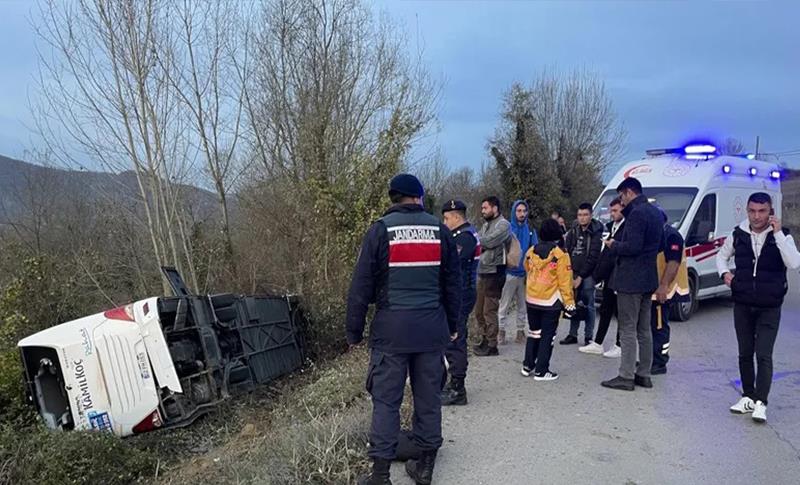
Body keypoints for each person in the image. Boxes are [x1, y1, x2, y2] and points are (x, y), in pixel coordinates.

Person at [346, 174, 461, 485]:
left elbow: (361, 286)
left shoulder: (380, 230)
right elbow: (453, 283)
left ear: (393, 198)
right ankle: (424, 470)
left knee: (386, 402)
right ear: (419, 198)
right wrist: (454, 325)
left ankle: (380, 477)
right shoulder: (440, 230)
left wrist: (354, 331)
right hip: (430, 331)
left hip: (391, 333)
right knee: (428, 398)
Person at [716, 192, 800, 423]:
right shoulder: (738, 234)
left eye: (762, 211)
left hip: (769, 304)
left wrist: (778, 234)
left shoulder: (782, 236)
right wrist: (725, 274)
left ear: (770, 211)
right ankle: (748, 396)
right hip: (743, 302)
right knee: (745, 353)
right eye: (752, 211)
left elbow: (794, 262)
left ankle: (761, 402)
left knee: (763, 354)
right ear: (747, 210)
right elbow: (721, 256)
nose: (756, 216)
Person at [601, 177, 663, 391]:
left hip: (631, 279)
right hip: (648, 278)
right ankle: (643, 374)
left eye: (621, 196)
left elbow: (633, 246)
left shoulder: (636, 214)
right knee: (644, 329)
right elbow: (658, 245)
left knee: (627, 328)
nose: (621, 201)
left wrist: (613, 244)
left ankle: (626, 376)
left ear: (628, 192)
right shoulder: (656, 213)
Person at [521, 218, 576, 381]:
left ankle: (527, 365)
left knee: (534, 332)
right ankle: (542, 370)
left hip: (532, 298)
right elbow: (565, 282)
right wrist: (570, 304)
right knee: (548, 336)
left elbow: (526, 268)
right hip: (550, 301)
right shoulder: (560, 255)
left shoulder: (531, 251)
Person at [441, 199, 480, 406]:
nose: (445, 222)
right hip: (461, 292)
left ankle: (458, 387)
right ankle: (452, 382)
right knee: (451, 339)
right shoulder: (463, 234)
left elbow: (451, 263)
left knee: (455, 338)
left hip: (463, 293)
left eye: (447, 218)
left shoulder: (465, 238)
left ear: (457, 216)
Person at [650, 206, 690, 375]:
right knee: (652, 325)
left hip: (664, 289)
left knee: (659, 326)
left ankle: (660, 361)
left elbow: (673, 263)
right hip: (654, 288)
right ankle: (651, 357)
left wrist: (663, 286)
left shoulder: (671, 235)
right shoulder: (658, 233)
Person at [561, 203, 603, 349]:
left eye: (585, 215)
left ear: (591, 216)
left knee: (589, 305)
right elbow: (567, 250)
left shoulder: (596, 232)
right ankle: (572, 334)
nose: (582, 218)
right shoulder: (574, 230)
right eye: (580, 215)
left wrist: (581, 277)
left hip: (588, 274)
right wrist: (570, 273)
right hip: (573, 271)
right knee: (573, 303)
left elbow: (593, 257)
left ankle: (588, 336)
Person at [473, 196, 511, 357]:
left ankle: (492, 344)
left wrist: (478, 242)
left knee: (489, 310)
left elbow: (487, 242)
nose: (483, 211)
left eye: (485, 208)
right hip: (483, 271)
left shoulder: (503, 225)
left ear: (495, 208)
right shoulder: (486, 224)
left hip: (495, 272)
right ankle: (484, 339)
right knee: (479, 311)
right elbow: (480, 241)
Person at [499, 200, 538, 345]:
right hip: (509, 273)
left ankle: (520, 331)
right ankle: (501, 331)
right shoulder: (507, 230)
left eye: (524, 211)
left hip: (524, 274)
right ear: (514, 212)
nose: (522, 214)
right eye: (519, 211)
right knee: (504, 304)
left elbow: (535, 249)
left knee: (522, 305)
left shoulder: (530, 229)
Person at [591, 197, 624, 358]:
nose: (612, 214)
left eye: (615, 210)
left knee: (620, 312)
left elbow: (614, 254)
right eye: (611, 210)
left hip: (619, 276)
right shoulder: (611, 227)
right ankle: (598, 343)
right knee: (605, 309)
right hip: (609, 277)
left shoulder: (625, 228)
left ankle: (619, 345)